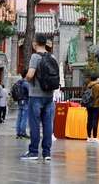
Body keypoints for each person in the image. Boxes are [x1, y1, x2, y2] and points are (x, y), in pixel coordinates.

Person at [21, 33, 60, 161]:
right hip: (49, 96)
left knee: (35, 124)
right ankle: (47, 153)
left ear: (35, 43)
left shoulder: (35, 57)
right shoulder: (52, 57)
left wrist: (26, 79)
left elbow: (30, 75)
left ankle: (33, 152)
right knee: (48, 125)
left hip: (36, 96)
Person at [85, 74, 99, 143]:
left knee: (89, 120)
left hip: (88, 105)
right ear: (97, 79)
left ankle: (88, 137)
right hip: (96, 105)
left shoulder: (88, 85)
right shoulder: (98, 86)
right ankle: (94, 137)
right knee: (95, 121)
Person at [12, 69, 30, 139]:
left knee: (19, 117)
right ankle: (23, 132)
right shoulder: (26, 83)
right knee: (24, 117)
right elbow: (30, 92)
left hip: (20, 100)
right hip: (25, 100)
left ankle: (18, 132)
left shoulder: (19, 82)